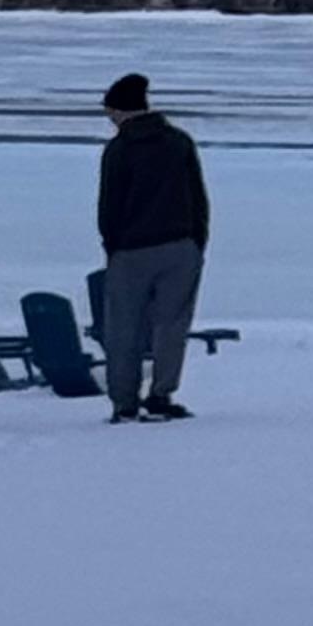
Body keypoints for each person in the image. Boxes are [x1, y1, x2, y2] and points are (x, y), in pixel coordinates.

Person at [96, 71, 210, 422]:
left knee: (123, 329)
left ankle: (124, 402)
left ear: (121, 110)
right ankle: (162, 392)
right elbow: (198, 197)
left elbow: (109, 205)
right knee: (172, 324)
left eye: (110, 111)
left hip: (131, 250)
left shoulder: (119, 149)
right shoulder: (179, 141)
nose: (108, 117)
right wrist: (196, 241)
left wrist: (112, 246)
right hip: (180, 246)